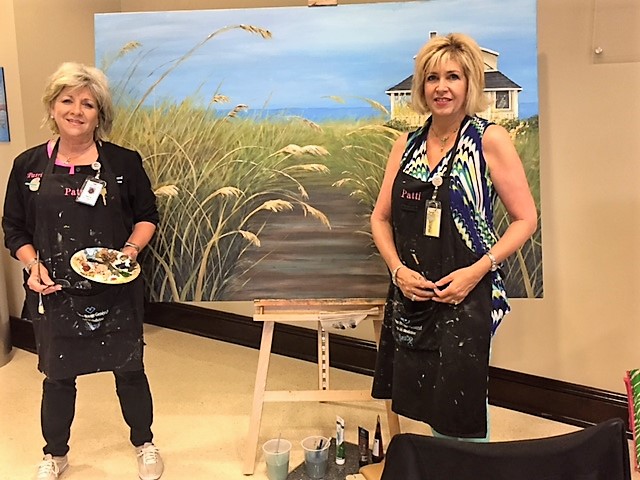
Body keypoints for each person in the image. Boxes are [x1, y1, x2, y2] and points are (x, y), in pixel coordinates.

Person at [370, 33, 537, 440]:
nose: (441, 88)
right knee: (423, 398)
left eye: (453, 77)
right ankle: (440, 465)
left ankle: (469, 466)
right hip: (413, 293)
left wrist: (476, 271)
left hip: (467, 292)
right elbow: (380, 218)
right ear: (421, 86)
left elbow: (525, 219)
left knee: (460, 406)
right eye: (432, 78)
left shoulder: (488, 139)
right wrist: (397, 271)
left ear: (470, 83)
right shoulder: (405, 145)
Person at [2, 62, 164, 480]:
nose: (76, 110)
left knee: (130, 368)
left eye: (88, 104)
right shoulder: (27, 165)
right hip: (53, 288)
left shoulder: (124, 163)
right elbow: (13, 229)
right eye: (67, 100)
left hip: (115, 287)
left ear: (99, 114)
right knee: (57, 376)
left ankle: (144, 442)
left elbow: (147, 216)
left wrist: (129, 252)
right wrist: (32, 265)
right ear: (52, 107)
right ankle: (55, 454)